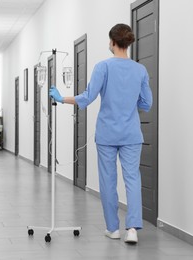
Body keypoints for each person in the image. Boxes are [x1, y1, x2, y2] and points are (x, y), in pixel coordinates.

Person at [49, 24, 152, 244]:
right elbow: (147, 103)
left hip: (107, 134)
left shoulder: (103, 67)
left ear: (113, 42)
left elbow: (87, 98)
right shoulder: (140, 70)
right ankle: (132, 229)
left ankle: (113, 229)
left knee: (108, 180)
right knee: (132, 179)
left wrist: (61, 98)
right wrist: (129, 106)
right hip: (132, 134)